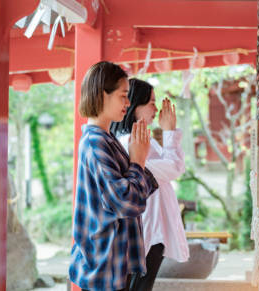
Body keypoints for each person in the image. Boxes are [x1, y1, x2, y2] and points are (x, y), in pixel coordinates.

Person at [69, 62, 158, 291]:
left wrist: (138, 165)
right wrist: (137, 160)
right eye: (123, 96)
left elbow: (140, 189)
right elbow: (127, 201)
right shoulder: (95, 141)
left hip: (113, 262)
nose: (128, 104)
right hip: (103, 263)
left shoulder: (106, 139)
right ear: (102, 96)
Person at [110, 79, 189, 291]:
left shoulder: (139, 139)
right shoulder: (130, 141)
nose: (156, 109)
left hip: (149, 228)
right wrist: (170, 131)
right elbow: (174, 167)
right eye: (151, 103)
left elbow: (172, 167)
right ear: (135, 106)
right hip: (147, 229)